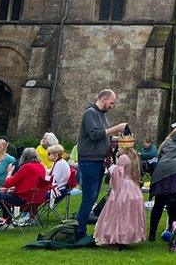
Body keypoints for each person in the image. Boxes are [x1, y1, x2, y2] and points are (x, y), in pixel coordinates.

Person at [75, 89, 128, 239]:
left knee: (93, 196)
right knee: (89, 197)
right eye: (111, 102)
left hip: (98, 161)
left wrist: (118, 139)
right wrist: (116, 128)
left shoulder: (103, 116)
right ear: (103, 99)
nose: (112, 106)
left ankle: (82, 228)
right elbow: (94, 134)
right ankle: (79, 231)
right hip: (89, 160)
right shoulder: (90, 113)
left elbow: (104, 136)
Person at [0, 147, 46, 232]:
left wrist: (9, 172)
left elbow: (8, 183)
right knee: (3, 194)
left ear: (24, 157)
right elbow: (30, 183)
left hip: (24, 200)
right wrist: (13, 189)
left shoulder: (26, 167)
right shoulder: (41, 167)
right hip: (35, 198)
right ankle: (7, 222)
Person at [94, 147, 145, 246]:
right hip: (133, 188)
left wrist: (112, 170)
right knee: (130, 214)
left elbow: (118, 175)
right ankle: (129, 235)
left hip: (123, 188)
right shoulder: (133, 157)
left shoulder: (124, 157)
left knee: (119, 213)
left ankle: (118, 236)